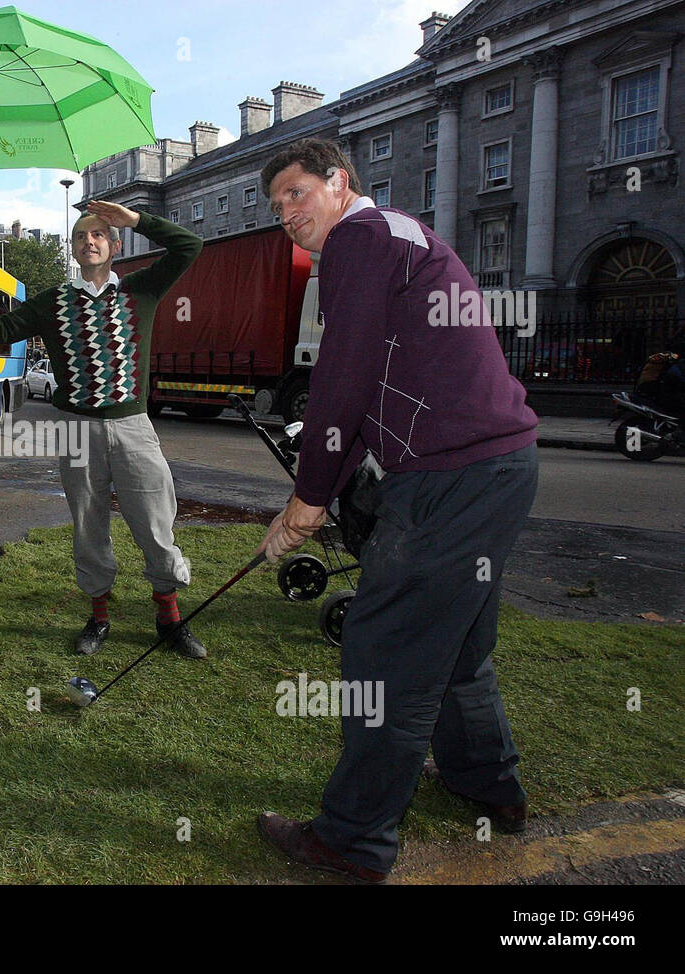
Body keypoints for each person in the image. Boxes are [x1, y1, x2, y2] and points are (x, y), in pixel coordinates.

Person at [252, 138, 539, 883]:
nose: (285, 211)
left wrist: (308, 499)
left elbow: (341, 378)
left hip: (452, 479)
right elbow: (374, 381)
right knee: (459, 644)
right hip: (500, 468)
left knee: (385, 657)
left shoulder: (358, 239)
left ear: (338, 182)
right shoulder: (400, 234)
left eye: (295, 192)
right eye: (274, 202)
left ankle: (350, 841)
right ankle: (487, 784)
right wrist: (324, 486)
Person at [0, 200, 207, 659]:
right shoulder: (52, 302)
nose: (90, 241)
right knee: (87, 523)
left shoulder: (141, 290)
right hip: (76, 429)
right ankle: (98, 618)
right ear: (73, 249)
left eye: (99, 234)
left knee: (156, 522)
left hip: (133, 427)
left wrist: (135, 218)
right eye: (81, 236)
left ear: (115, 244)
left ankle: (169, 617)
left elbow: (188, 245)